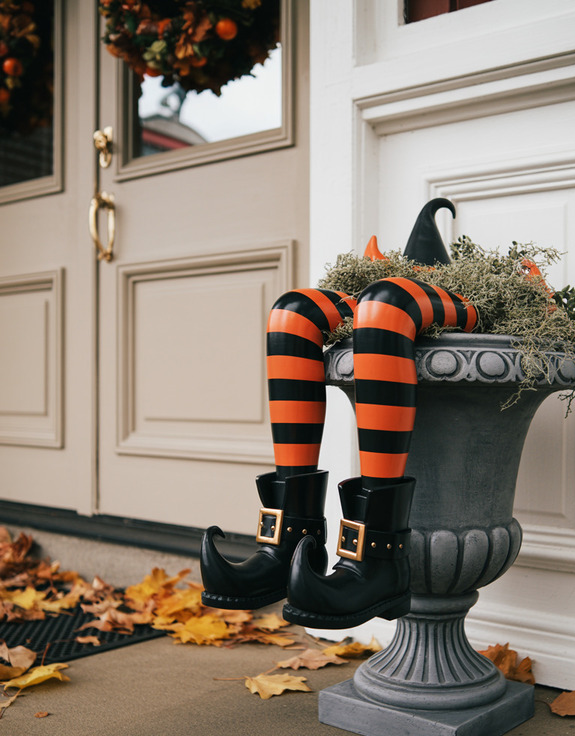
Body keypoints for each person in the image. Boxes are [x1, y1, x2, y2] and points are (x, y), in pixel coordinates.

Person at [200, 200, 477, 629]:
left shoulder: (447, 283)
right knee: (291, 312)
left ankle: (378, 562)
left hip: (456, 305)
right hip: (395, 296)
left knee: (387, 304)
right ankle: (289, 547)